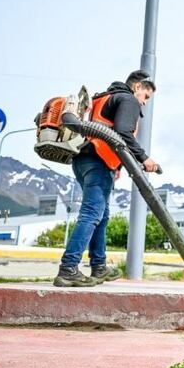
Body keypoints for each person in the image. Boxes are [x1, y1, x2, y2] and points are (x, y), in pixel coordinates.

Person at [54, 70, 161, 287]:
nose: (144, 103)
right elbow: (123, 132)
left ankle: (99, 266)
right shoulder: (128, 99)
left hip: (83, 160)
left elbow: (105, 130)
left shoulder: (102, 98)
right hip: (98, 161)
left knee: (101, 216)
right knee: (92, 214)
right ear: (137, 86)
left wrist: (118, 165)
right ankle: (68, 268)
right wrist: (144, 158)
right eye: (146, 97)